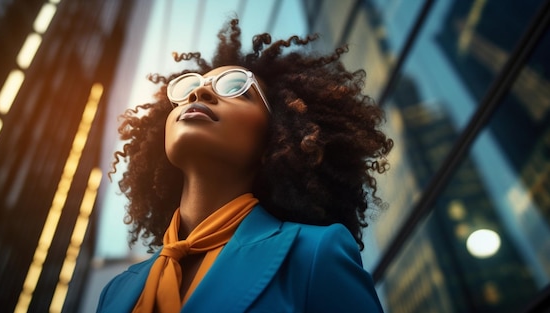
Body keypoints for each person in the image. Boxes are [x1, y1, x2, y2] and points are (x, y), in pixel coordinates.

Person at [97, 18, 393, 313]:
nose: (198, 94)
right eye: (189, 87)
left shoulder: (314, 254)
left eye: (236, 87)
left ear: (275, 138)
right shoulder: (115, 292)